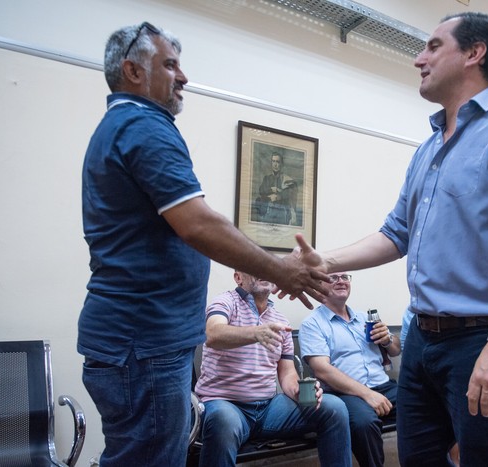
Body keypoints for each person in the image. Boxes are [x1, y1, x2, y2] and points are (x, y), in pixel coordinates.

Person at [291, 11, 488, 466]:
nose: (419, 58)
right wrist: (321, 259)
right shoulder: (429, 147)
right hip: (422, 339)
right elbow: (394, 233)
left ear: (474, 54)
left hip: (483, 338)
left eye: (434, 46)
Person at [79, 22, 329, 467]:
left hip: (136, 342)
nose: (184, 76)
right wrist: (282, 271)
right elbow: (198, 224)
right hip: (144, 344)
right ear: (133, 72)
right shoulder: (143, 124)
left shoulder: (121, 125)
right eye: (170, 64)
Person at [194, 271, 352, 467]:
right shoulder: (226, 302)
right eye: (253, 266)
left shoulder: (280, 320)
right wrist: (255, 333)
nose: (263, 270)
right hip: (226, 404)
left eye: (266, 266)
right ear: (238, 278)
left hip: (269, 409)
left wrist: (299, 391)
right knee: (223, 421)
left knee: (334, 407)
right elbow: (212, 334)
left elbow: (287, 373)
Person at [299, 272, 401, 467]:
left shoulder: (366, 317)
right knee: (363, 423)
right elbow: (322, 370)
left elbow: (396, 350)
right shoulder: (312, 324)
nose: (341, 281)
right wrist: (367, 394)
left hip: (385, 387)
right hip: (345, 394)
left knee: (424, 405)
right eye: (333, 277)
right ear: (319, 285)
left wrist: (388, 339)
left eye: (345, 277)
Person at [255, 152, 298, 225]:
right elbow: (261, 190)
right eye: (273, 161)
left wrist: (279, 197)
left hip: (282, 211)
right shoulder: (267, 178)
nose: (275, 164)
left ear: (281, 164)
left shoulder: (287, 179)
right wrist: (272, 189)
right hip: (268, 210)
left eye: (277, 162)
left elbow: (289, 194)